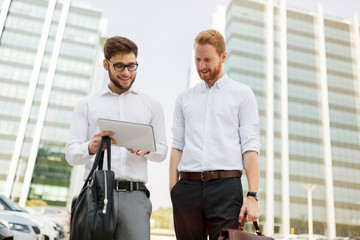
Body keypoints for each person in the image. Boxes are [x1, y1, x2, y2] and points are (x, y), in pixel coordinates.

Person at [65, 36, 168, 239]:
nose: (126, 73)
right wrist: (90, 147)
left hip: (135, 197)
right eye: (119, 66)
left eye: (132, 66)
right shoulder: (87, 105)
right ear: (106, 64)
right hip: (97, 194)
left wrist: (147, 148)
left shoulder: (151, 105)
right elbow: (70, 155)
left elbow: (162, 151)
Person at [169, 29, 261, 240]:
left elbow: (250, 147)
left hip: (226, 189)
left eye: (208, 60)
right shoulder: (184, 98)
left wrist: (253, 195)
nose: (202, 66)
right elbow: (177, 145)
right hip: (187, 189)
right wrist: (174, 190)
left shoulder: (242, 94)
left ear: (223, 57)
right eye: (198, 59)